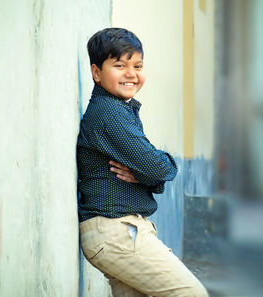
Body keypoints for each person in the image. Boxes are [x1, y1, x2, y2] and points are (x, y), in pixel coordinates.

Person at [77, 28, 208, 297]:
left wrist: (145, 174)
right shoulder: (110, 114)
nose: (131, 74)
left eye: (137, 65)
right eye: (119, 65)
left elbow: (150, 171)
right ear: (96, 72)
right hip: (117, 233)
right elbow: (159, 167)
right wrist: (154, 171)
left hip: (113, 233)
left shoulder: (117, 111)